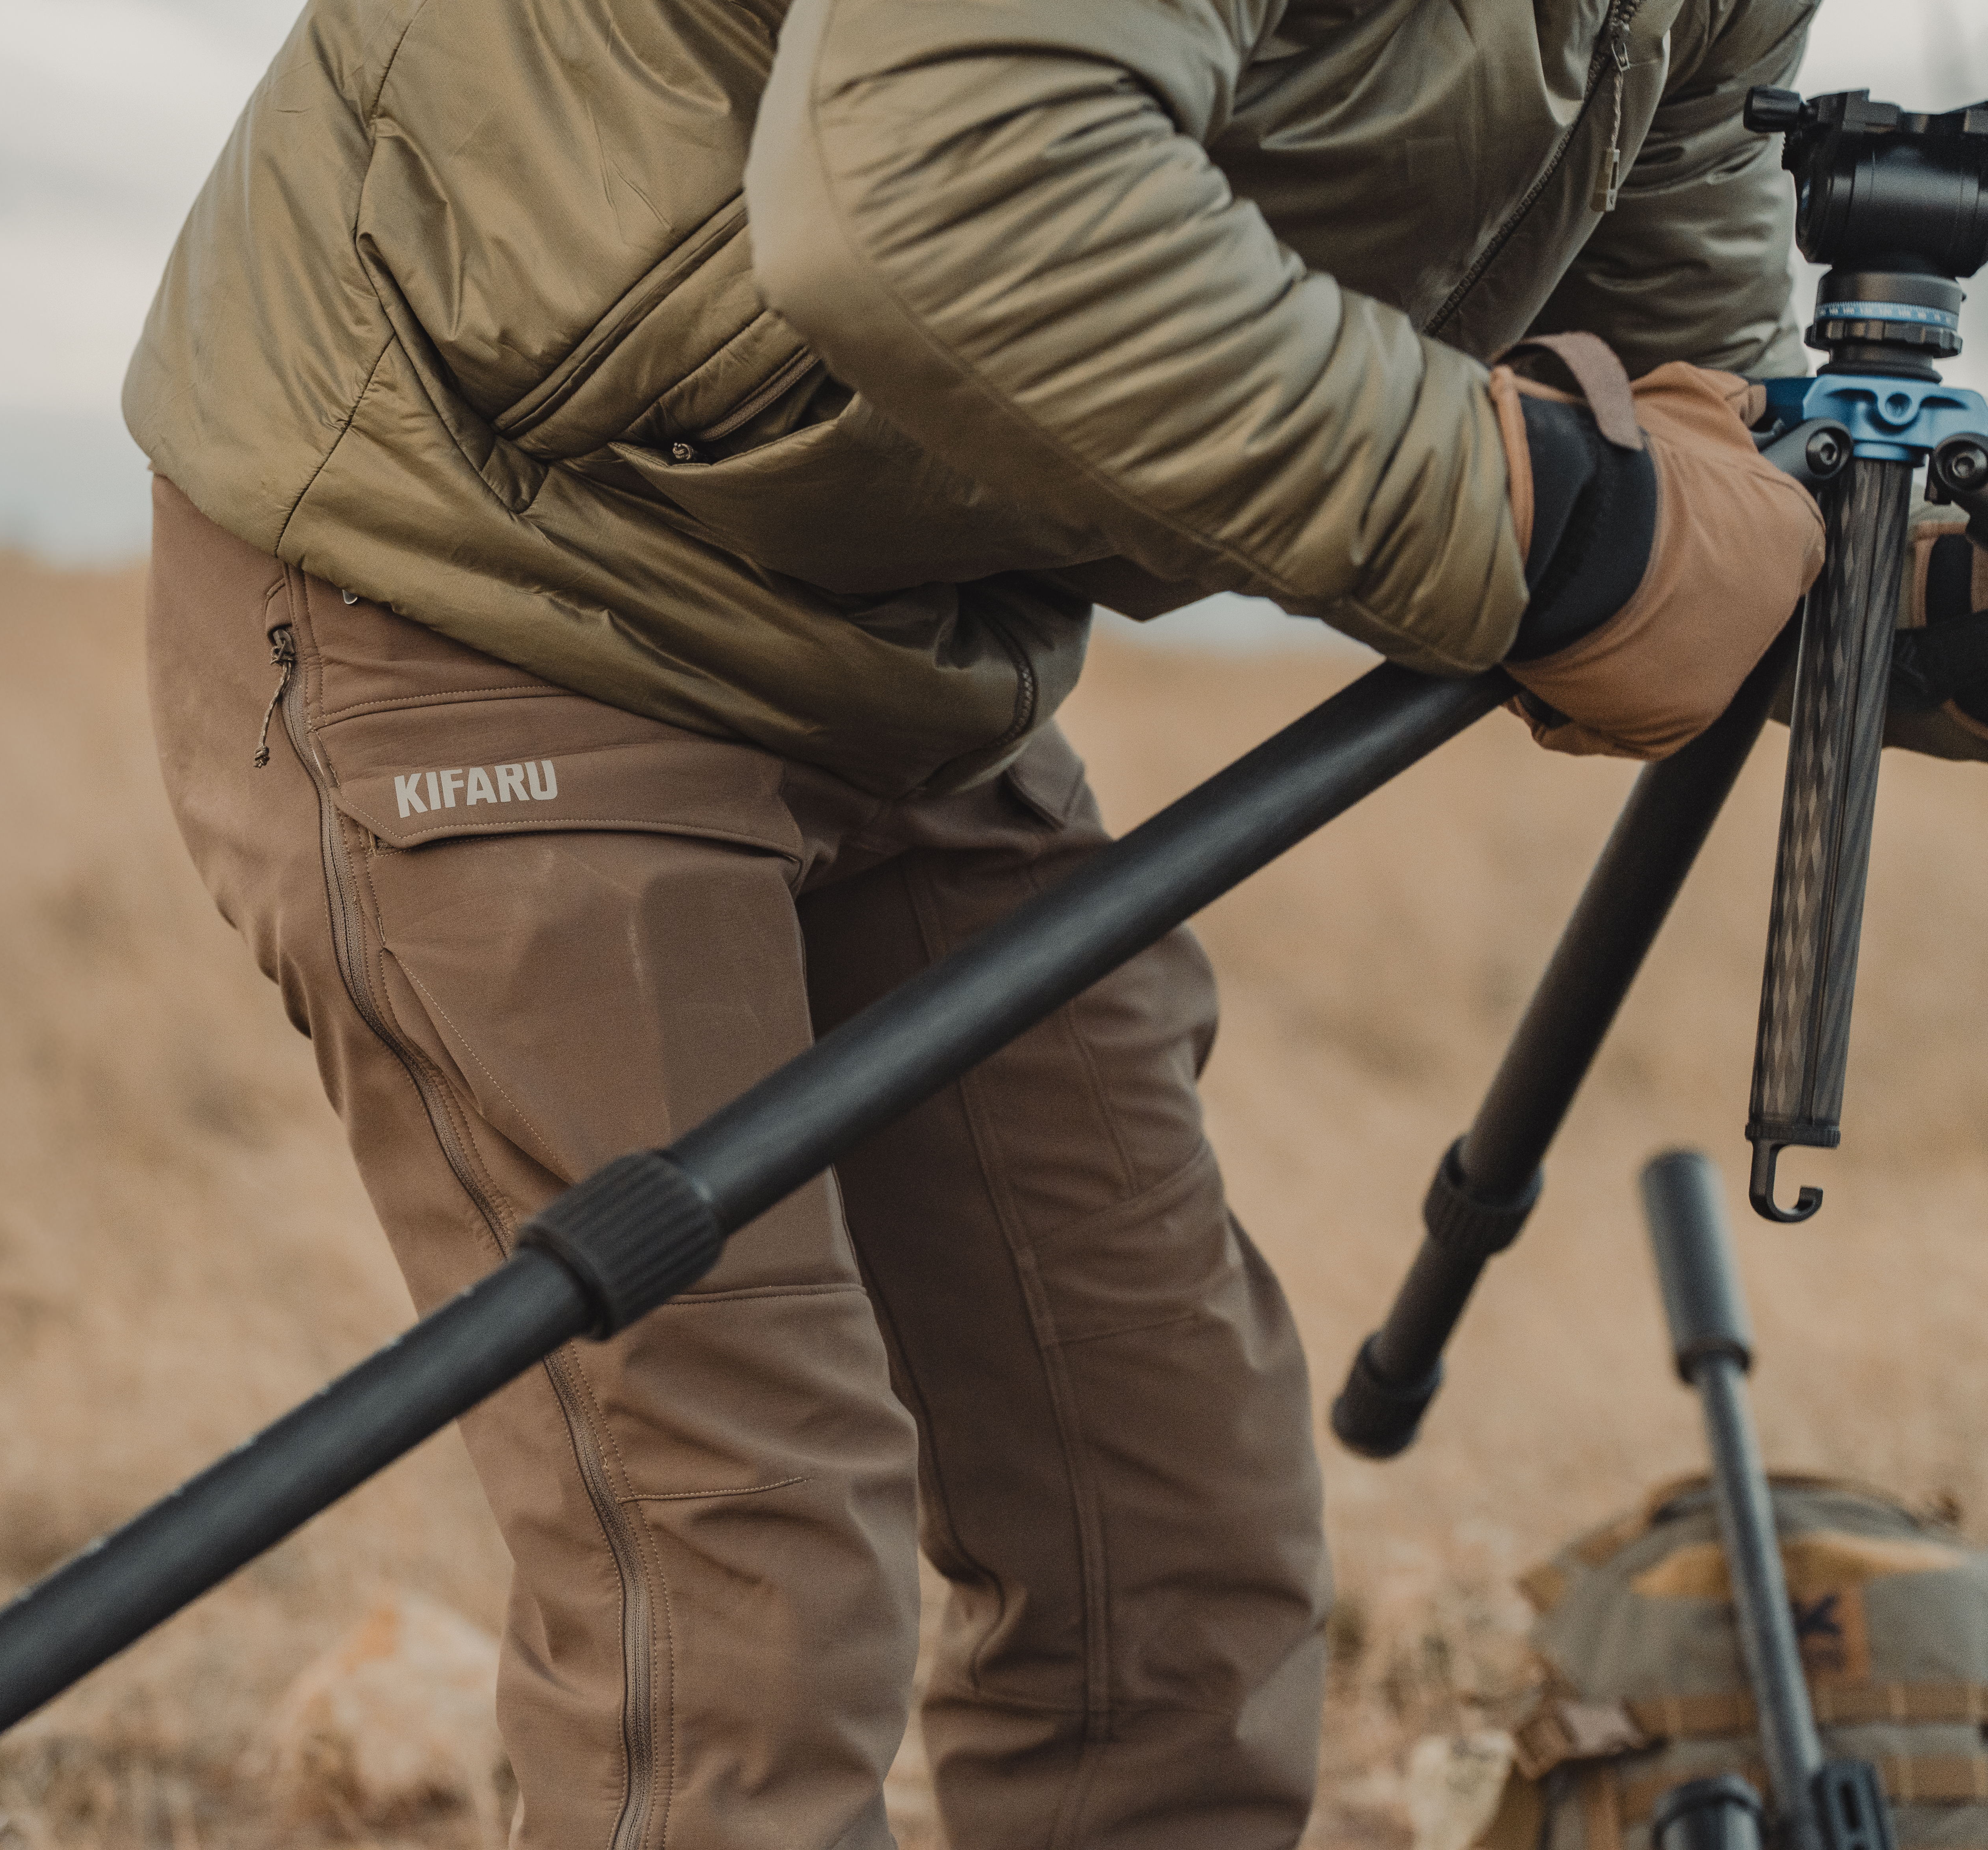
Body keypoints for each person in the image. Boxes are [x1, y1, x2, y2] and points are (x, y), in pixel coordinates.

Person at [123, 2, 1957, 1843]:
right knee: (743, 1571)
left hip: (908, 638)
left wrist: (1882, 570)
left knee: (1166, 1526)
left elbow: (1684, 389)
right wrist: (1557, 531)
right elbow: (946, 185)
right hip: (479, 544)